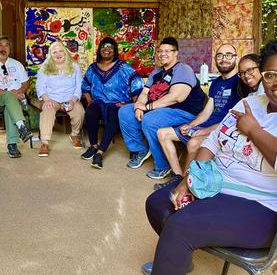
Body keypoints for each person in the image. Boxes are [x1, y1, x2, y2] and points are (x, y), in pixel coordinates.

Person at [100, 36, 277, 275]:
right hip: (221, 188)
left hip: (268, 210)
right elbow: (213, 141)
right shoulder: (252, 102)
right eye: (271, 74)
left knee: (181, 225)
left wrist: (254, 131)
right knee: (159, 202)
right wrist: (188, 180)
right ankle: (176, 261)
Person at [118, 37, 206, 180]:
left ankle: (162, 165)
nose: (162, 54)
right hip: (159, 109)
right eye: (160, 51)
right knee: (125, 112)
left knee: (150, 120)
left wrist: (147, 108)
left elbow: (176, 97)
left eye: (167, 51)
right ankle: (140, 150)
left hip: (183, 111)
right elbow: (145, 93)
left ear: (176, 53)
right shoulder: (157, 72)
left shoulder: (183, 69)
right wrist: (139, 106)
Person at [157, 44, 240, 176]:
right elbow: (207, 111)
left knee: (193, 143)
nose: (224, 59)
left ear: (236, 58)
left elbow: (235, 119)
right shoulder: (216, 83)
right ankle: (178, 175)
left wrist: (206, 131)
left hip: (224, 129)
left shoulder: (241, 82)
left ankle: (185, 181)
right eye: (220, 55)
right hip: (207, 125)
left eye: (228, 55)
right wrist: (191, 125)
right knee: (162, 133)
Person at [80, 37, 143, 169]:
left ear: (115, 50)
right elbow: (85, 85)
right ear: (99, 50)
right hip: (98, 102)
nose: (107, 49)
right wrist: (90, 101)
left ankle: (100, 152)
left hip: (117, 103)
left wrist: (132, 104)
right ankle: (93, 146)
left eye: (110, 47)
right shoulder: (93, 68)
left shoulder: (122, 67)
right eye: (104, 47)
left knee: (115, 116)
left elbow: (137, 82)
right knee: (90, 112)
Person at [0, 36, 32, 159]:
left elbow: (26, 83)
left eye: (6, 45)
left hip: (17, 100)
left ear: (10, 49)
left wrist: (20, 91)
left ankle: (13, 145)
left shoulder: (17, 64)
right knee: (8, 96)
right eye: (0, 45)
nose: (3, 48)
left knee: (9, 107)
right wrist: (11, 93)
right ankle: (21, 128)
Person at [35, 41, 85, 157]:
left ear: (65, 52)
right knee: (47, 111)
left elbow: (79, 86)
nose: (58, 54)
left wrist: (73, 100)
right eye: (54, 52)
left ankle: (74, 134)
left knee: (80, 111)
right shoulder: (45, 67)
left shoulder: (74, 66)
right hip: (52, 99)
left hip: (70, 99)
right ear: (50, 55)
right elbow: (40, 86)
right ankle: (44, 143)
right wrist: (47, 100)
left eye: (60, 51)